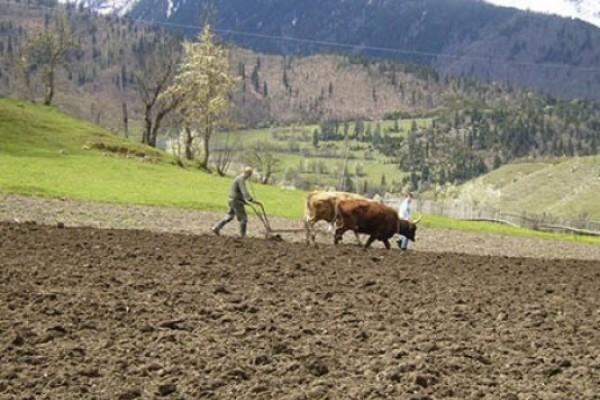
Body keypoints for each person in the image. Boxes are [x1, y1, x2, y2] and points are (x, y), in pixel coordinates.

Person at [212, 166, 261, 237]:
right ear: (247, 173)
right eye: (249, 175)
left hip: (232, 200)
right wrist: (251, 199)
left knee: (230, 216)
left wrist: (245, 201)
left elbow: (238, 192)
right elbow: (244, 192)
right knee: (243, 218)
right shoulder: (240, 179)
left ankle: (216, 228)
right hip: (236, 201)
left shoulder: (239, 178)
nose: (249, 177)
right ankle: (243, 236)